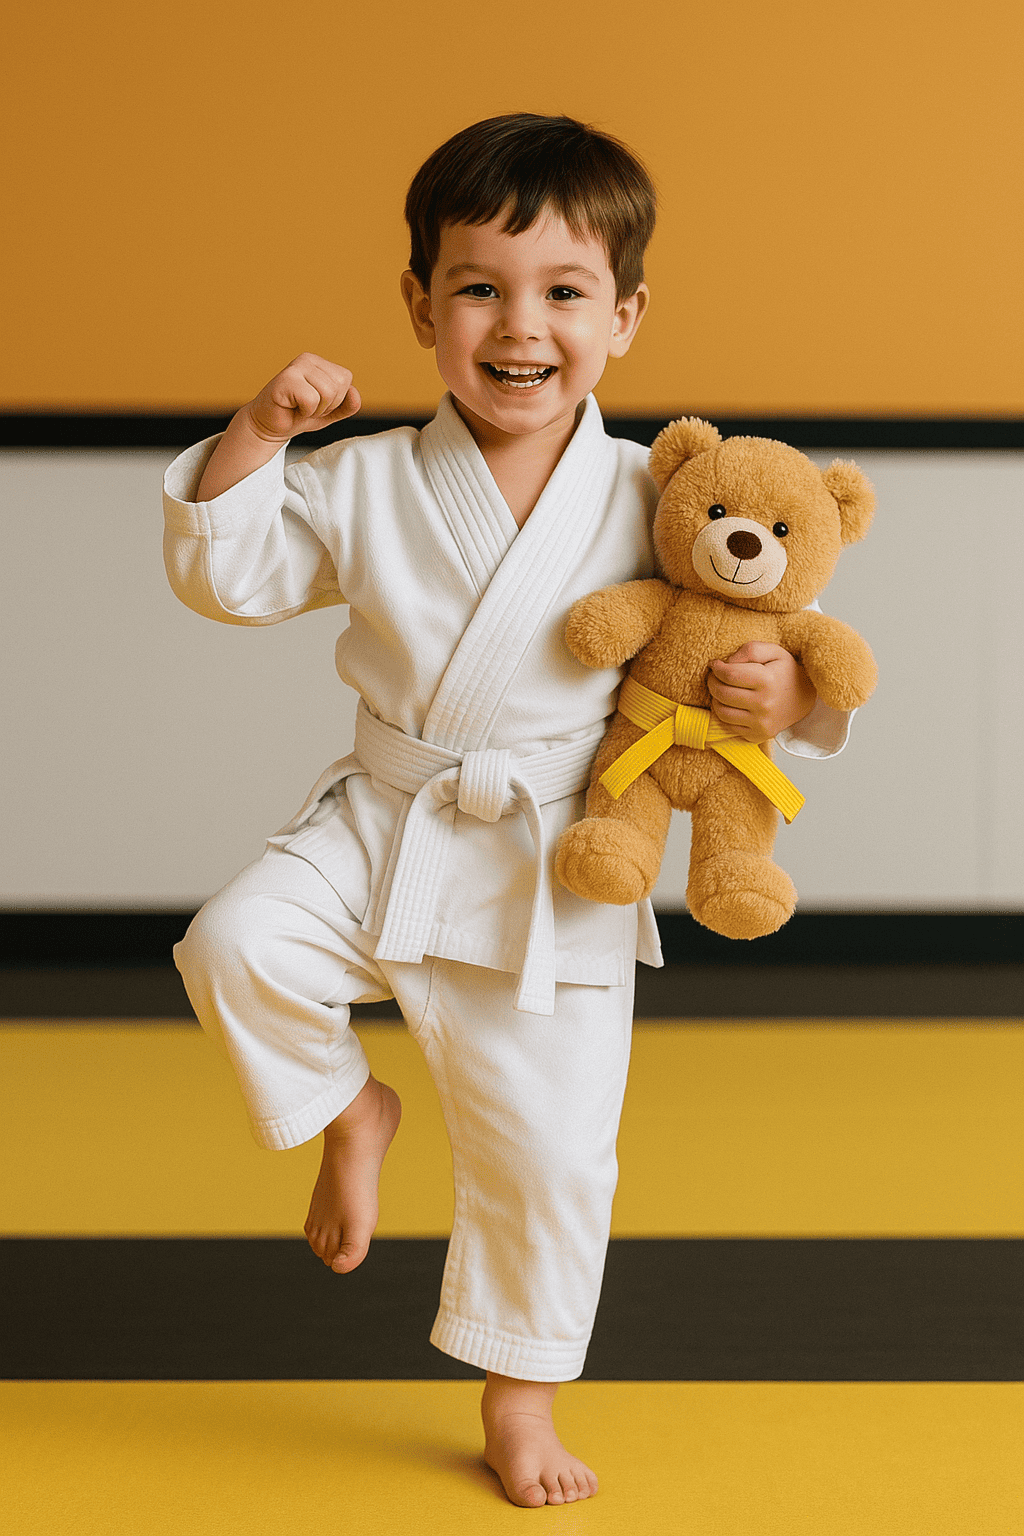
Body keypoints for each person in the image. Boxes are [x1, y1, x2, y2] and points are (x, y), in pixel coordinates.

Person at [163, 113, 846, 1507]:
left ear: (625, 316)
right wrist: (260, 433)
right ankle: (347, 1110)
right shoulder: (362, 482)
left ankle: (519, 1395)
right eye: (478, 286)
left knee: (549, 1155)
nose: (517, 324)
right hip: (391, 818)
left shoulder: (663, 490)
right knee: (235, 944)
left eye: (561, 291)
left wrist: (780, 699)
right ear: (420, 305)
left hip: (554, 856)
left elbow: (764, 632)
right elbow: (226, 578)